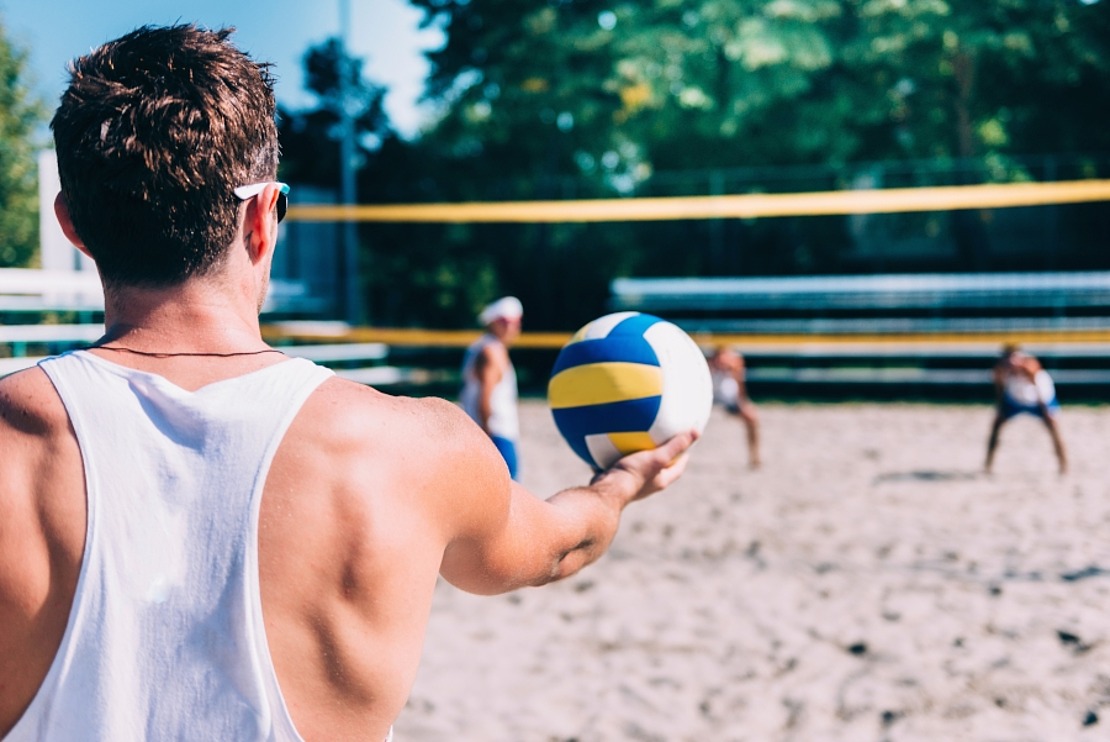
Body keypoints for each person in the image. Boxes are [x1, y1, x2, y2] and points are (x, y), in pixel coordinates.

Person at [0, 25, 697, 742]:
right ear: (263, 217)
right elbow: (559, 545)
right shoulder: (412, 449)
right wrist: (619, 484)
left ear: (73, 225)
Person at [460, 296, 524, 480]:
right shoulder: (492, 351)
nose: (513, 327)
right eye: (506, 322)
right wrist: (486, 438)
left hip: (488, 431)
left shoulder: (481, 346)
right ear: (494, 323)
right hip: (496, 433)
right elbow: (485, 398)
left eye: (516, 322)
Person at [984, 344, 1067, 474]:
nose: (1012, 362)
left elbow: (1040, 389)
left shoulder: (1029, 367)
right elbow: (1000, 389)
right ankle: (988, 465)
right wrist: (1000, 406)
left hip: (1039, 399)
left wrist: (1046, 410)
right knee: (996, 426)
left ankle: (1063, 465)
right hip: (1015, 400)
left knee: (1054, 428)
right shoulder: (1000, 370)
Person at [708, 345, 761, 469]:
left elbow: (740, 389)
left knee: (752, 419)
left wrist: (742, 402)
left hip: (729, 402)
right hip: (709, 400)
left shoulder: (735, 368)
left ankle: (754, 456)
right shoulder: (707, 367)